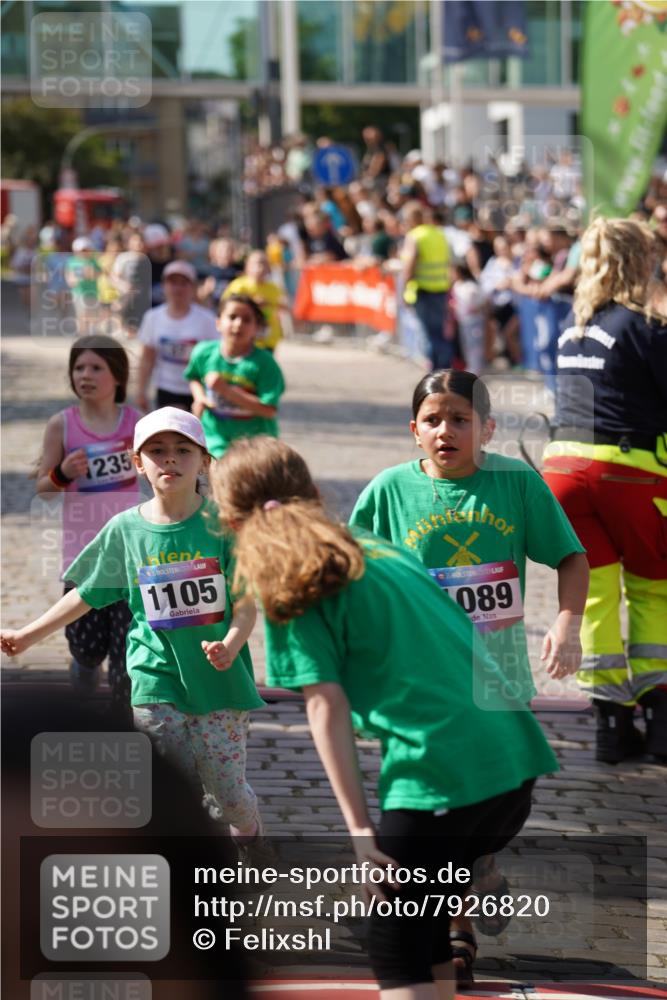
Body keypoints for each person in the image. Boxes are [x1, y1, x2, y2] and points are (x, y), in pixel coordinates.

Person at [209, 435, 561, 1000]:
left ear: (228, 521)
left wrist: (358, 832)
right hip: (515, 759)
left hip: (443, 774)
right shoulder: (377, 547)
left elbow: (325, 706)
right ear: (315, 492)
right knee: (422, 938)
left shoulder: (293, 583)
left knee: (393, 940)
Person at [348, 369, 588, 980]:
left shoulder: (515, 483)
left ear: (488, 427)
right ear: (414, 431)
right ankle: (455, 931)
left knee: (507, 800)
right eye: (433, 419)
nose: (446, 430)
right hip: (421, 685)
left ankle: (481, 864)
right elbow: (353, 575)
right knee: (441, 810)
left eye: (460, 419)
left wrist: (566, 622)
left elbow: (570, 555)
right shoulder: (387, 492)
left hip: (498, 677)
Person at [2, 408, 264, 843]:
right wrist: (27, 636)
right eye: (157, 452)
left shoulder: (225, 527)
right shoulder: (125, 529)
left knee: (228, 793)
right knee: (171, 785)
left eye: (183, 450)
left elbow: (246, 604)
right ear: (138, 463)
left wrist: (231, 644)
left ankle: (249, 826)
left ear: (204, 460)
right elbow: (86, 593)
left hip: (220, 684)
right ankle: (185, 867)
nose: (170, 460)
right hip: (154, 679)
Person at [542, 216, 667, 764]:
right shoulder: (646, 326)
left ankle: (611, 728)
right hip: (630, 468)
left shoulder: (574, 330)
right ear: (641, 262)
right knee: (653, 591)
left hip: (564, 469)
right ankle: (662, 725)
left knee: (593, 597)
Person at [32, 334, 141, 704]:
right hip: (83, 557)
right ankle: (83, 667)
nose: (85, 375)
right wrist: (62, 472)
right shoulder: (62, 425)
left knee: (127, 656)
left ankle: (124, 727)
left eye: (96, 367)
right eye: (78, 367)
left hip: (130, 557)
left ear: (117, 375)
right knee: (87, 646)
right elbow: (43, 488)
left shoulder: (136, 422)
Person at [184, 294, 285, 459]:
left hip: (256, 446)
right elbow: (193, 376)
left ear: (256, 328)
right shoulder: (203, 352)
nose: (238, 324)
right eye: (232, 317)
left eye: (246, 320)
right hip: (216, 439)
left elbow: (268, 410)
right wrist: (200, 397)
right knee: (220, 479)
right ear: (218, 322)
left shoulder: (265, 364)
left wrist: (226, 391)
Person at [136, 259, 218, 412]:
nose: (178, 288)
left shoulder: (207, 319)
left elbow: (216, 358)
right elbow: (147, 358)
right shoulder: (152, 317)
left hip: (198, 390)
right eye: (173, 283)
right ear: (164, 286)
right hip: (166, 388)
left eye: (184, 283)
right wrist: (141, 391)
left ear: (193, 287)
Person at [401, 201, 452, 370]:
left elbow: (410, 264)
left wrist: (404, 289)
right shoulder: (439, 234)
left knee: (428, 333)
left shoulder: (415, 236)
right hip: (441, 287)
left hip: (423, 289)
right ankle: (444, 366)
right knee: (438, 331)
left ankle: (435, 370)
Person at [222, 250, 289, 353]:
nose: (260, 268)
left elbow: (283, 307)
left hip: (268, 338)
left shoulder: (274, 288)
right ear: (247, 267)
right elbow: (227, 305)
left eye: (264, 264)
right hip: (245, 336)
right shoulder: (239, 286)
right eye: (257, 264)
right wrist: (253, 303)